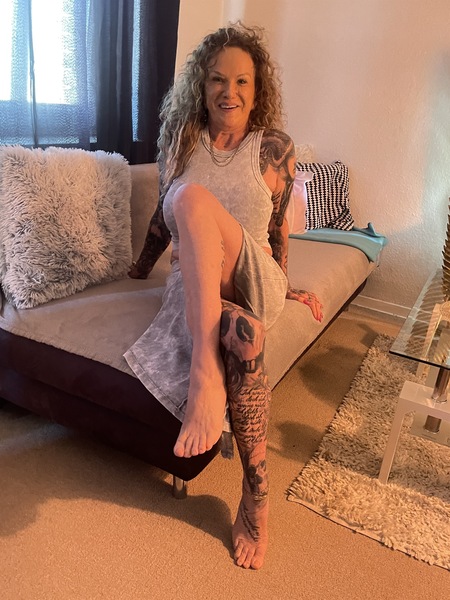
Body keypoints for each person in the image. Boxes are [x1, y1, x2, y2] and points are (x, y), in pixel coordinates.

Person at [126, 23, 323, 570]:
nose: (228, 91)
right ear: (201, 85)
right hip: (195, 283)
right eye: (217, 79)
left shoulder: (273, 149)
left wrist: (289, 285)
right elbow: (162, 221)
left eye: (241, 81)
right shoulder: (180, 142)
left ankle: (203, 377)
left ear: (257, 92)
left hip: (253, 274)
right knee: (244, 334)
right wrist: (139, 267)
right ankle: (257, 498)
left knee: (192, 198)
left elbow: (277, 230)